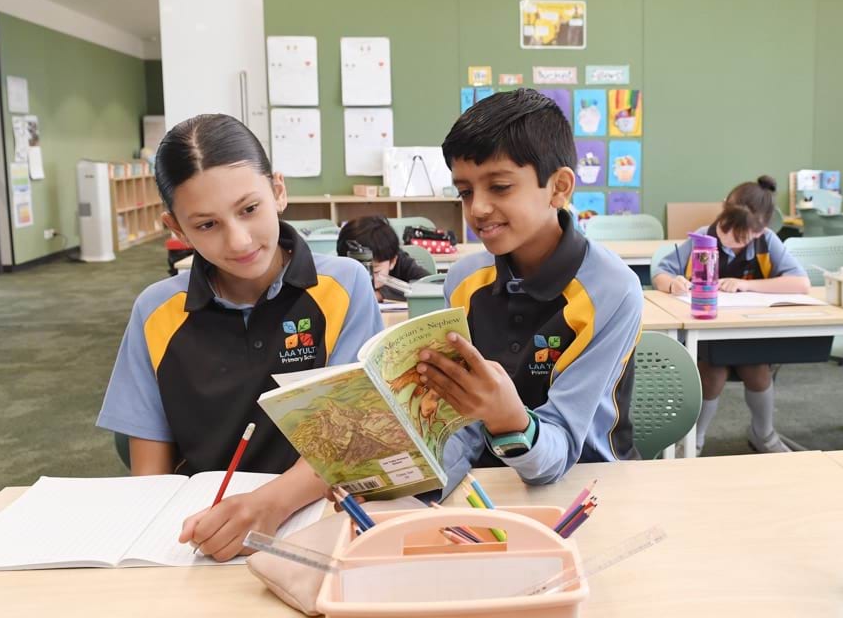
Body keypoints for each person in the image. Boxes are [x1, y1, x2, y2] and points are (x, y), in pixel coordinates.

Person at [96, 114, 382, 561]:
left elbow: (349, 440)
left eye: (250, 209)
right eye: (206, 225)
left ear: (279, 192)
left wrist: (270, 504)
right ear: (176, 229)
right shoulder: (155, 311)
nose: (239, 239)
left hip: (317, 516)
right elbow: (150, 482)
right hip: (205, 533)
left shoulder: (344, 286)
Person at [416, 89, 643, 492]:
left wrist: (509, 419)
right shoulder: (464, 280)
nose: (478, 209)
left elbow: (560, 451)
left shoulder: (612, 290)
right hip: (487, 483)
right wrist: (422, 492)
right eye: (465, 191)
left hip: (588, 485)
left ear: (559, 187)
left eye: (500, 187)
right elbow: (463, 426)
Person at [652, 177, 816, 454]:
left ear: (759, 230)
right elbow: (661, 273)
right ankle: (693, 441)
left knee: (758, 372)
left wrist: (747, 284)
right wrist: (672, 283)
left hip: (748, 332)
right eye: (726, 228)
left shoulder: (768, 242)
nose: (729, 238)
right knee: (711, 374)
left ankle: (763, 434)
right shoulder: (703, 237)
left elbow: (802, 284)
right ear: (722, 211)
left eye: (742, 236)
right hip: (706, 334)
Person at [336, 215, 431, 301]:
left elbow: (432, 287)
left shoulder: (401, 263)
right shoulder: (337, 271)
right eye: (358, 271)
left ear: (393, 262)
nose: (367, 279)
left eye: (376, 271)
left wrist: (382, 294)